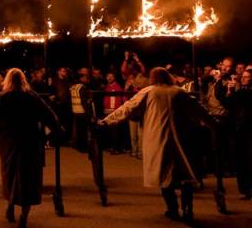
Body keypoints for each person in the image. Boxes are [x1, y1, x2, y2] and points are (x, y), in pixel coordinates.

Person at [99, 67, 214, 223]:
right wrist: (215, 124)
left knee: (164, 175)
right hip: (181, 138)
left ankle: (172, 209)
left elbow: (127, 108)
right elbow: (199, 110)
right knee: (185, 176)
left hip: (159, 138)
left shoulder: (148, 91)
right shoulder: (179, 92)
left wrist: (106, 122)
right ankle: (188, 210)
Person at [0, 68, 63, 228]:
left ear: (8, 81)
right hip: (30, 142)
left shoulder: (4, 97)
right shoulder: (32, 97)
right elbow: (48, 114)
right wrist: (58, 130)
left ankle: (10, 207)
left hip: (10, 143)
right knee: (29, 180)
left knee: (11, 176)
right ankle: (24, 216)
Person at [219, 69, 252, 199]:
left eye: (247, 77)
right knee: (240, 160)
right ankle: (244, 189)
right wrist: (229, 91)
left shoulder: (246, 93)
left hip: (249, 129)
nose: (244, 79)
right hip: (238, 130)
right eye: (243, 77)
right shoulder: (240, 92)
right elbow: (228, 104)